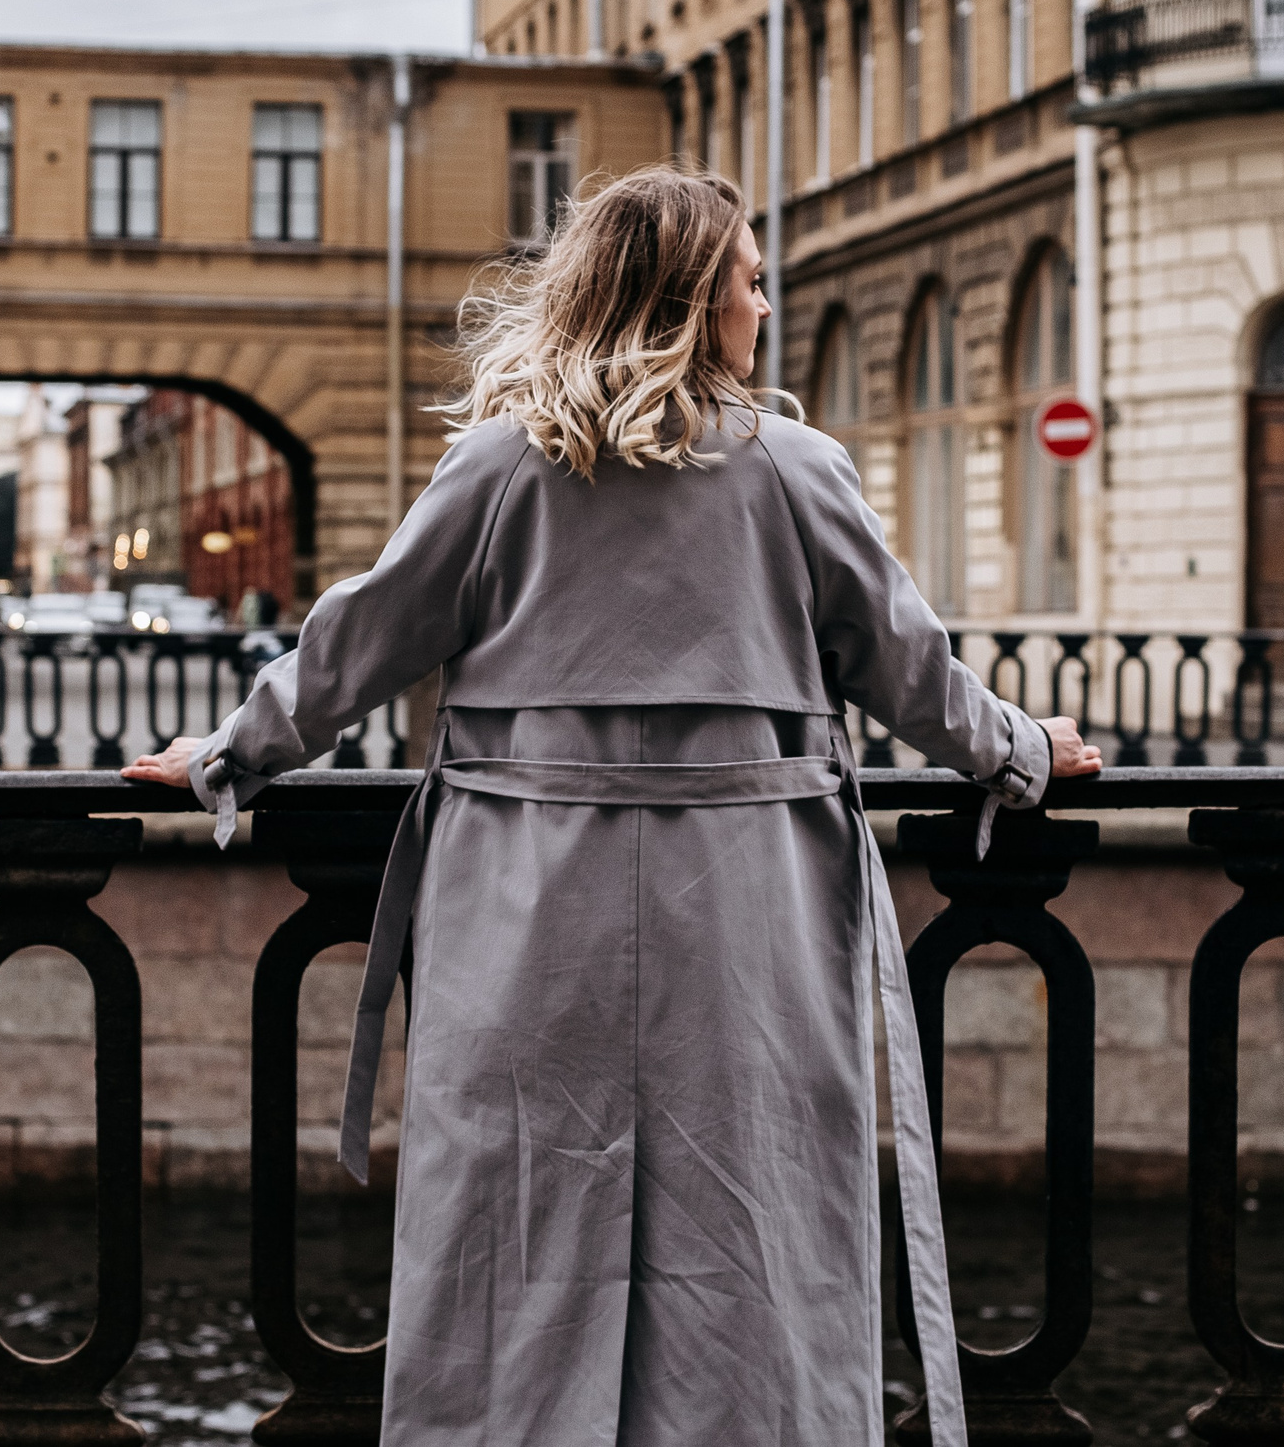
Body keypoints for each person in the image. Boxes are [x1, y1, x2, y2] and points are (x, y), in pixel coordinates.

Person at [122, 166, 1099, 1447]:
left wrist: (227, 757)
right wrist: (1021, 753)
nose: (762, 304)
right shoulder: (796, 472)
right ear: (694, 300)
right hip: (743, 901)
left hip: (528, 895)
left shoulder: (500, 467)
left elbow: (358, 642)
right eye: (749, 279)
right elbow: (912, 674)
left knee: (515, 1218)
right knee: (754, 1218)